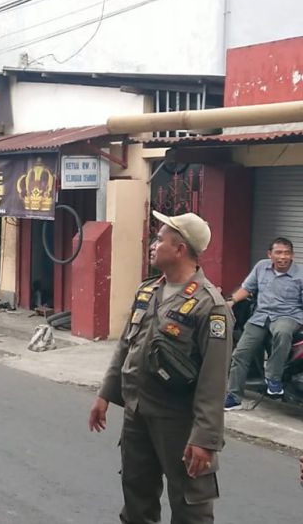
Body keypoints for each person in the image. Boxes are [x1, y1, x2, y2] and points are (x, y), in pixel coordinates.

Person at [89, 211, 232, 523]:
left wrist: (205, 438)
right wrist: (104, 395)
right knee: (136, 495)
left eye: (159, 239)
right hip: (137, 412)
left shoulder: (211, 305)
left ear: (179, 249)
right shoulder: (148, 291)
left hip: (178, 420)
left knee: (190, 505)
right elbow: (126, 346)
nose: (153, 245)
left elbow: (214, 378)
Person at [223, 237, 303, 410]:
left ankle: (274, 378)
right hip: (260, 316)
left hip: (287, 316)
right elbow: (247, 288)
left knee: (282, 333)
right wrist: (230, 302)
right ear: (270, 254)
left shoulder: (300, 274)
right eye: (279, 252)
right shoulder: (261, 267)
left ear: (292, 255)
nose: (283, 257)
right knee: (241, 353)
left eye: (287, 253)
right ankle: (233, 396)